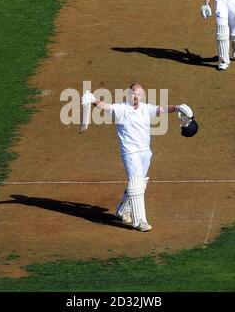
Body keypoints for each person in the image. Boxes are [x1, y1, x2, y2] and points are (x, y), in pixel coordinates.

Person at [81, 83, 191, 232]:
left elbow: (162, 109)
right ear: (128, 94)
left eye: (139, 94)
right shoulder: (121, 109)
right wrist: (93, 100)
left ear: (142, 96)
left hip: (145, 153)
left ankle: (122, 210)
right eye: (134, 93)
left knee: (139, 184)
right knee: (136, 182)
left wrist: (177, 107)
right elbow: (105, 106)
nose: (136, 96)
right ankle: (140, 221)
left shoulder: (146, 108)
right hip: (130, 152)